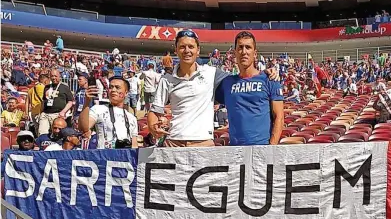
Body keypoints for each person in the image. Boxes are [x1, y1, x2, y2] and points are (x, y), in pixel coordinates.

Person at [147, 30, 278, 147]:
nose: (187, 50)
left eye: (191, 47)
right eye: (182, 47)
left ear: (198, 50)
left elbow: (244, 77)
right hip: (174, 142)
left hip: (203, 142)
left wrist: (266, 72)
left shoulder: (211, 73)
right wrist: (153, 127)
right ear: (176, 50)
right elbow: (154, 111)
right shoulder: (166, 79)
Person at [215, 31, 284, 145]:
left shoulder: (269, 79)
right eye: (240, 48)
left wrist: (271, 149)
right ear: (235, 52)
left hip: (262, 149)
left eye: (248, 47)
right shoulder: (227, 83)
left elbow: (279, 118)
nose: (244, 52)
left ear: (255, 53)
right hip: (235, 151)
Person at [79, 76, 139, 149]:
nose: (113, 90)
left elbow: (134, 145)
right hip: (103, 157)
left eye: (117, 87)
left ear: (126, 93)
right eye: (110, 87)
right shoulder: (98, 109)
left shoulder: (131, 118)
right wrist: (87, 103)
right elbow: (83, 128)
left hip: (124, 158)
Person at [38, 69, 74, 135]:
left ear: (59, 76)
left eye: (55, 76)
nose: (54, 78)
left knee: (57, 134)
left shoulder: (64, 87)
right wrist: (41, 113)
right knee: (42, 133)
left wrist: (63, 112)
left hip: (57, 114)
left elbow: (70, 101)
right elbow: (44, 101)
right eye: (52, 76)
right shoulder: (47, 87)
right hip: (46, 114)